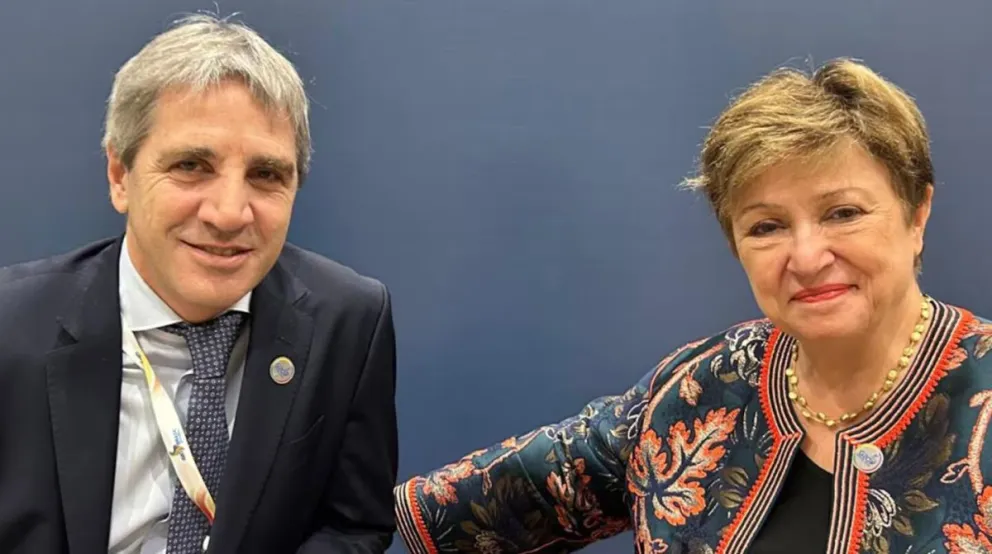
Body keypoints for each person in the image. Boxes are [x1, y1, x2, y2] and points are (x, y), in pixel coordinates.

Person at [394, 58, 992, 553]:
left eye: (843, 213)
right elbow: (455, 512)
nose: (807, 256)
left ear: (918, 214)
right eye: (767, 227)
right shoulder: (700, 388)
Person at [0, 14, 397, 554]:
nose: (230, 213)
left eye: (266, 175)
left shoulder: (348, 320)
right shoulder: (10, 325)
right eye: (191, 165)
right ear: (120, 175)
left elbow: (353, 526)